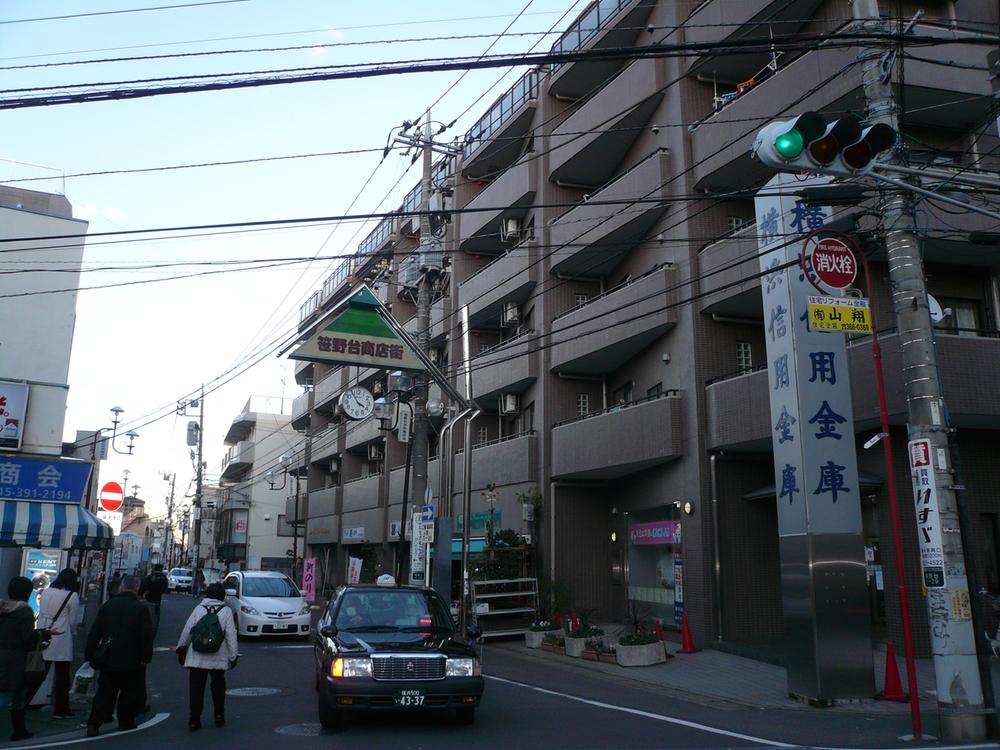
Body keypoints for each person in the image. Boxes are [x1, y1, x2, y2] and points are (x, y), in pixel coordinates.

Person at [85, 575, 153, 737]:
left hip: (108, 656)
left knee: (105, 692)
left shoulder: (108, 606)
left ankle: (94, 723)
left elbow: (95, 632)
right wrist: (145, 657)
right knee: (129, 692)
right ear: (136, 589)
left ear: (122, 587)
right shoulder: (141, 609)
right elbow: (146, 636)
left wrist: (90, 654)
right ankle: (125, 722)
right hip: (132, 658)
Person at [175, 582, 237, 731]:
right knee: (218, 687)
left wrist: (181, 647)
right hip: (218, 655)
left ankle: (194, 719)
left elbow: (187, 630)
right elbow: (231, 635)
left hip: (197, 655)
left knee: (196, 688)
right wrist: (233, 656)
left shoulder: (199, 609)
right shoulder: (226, 611)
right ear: (222, 596)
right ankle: (219, 716)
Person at [0, 577, 54, 741]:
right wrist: (45, 633)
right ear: (28, 592)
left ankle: (20, 729)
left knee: (14, 695)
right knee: (11, 693)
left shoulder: (3, 608)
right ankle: (19, 730)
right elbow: (27, 637)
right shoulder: (24, 611)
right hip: (15, 659)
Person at [33, 569, 79, 718]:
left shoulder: (45, 592)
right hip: (61, 637)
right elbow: (72, 622)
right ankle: (61, 709)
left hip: (43, 634)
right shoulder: (72, 596)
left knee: (38, 673)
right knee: (62, 676)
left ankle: (23, 702)